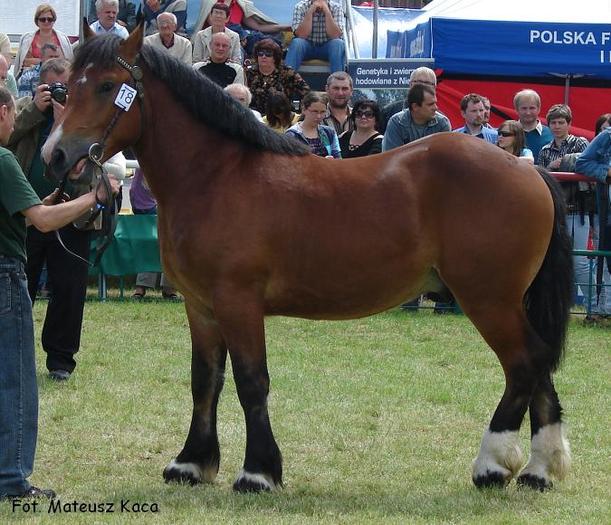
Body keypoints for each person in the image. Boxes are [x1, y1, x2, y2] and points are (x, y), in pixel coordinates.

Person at [0, 85, 119, 500]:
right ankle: (12, 481)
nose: (16, 123)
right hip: (5, 277)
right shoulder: (3, 160)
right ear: (1, 113)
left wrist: (42, 204)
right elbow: (46, 222)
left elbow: (27, 219)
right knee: (15, 384)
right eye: (13, 115)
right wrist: (92, 196)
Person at [6, 59, 120, 382]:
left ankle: (60, 360)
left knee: (69, 289)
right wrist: (35, 113)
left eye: (64, 87)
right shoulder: (23, 111)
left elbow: (98, 155)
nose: (59, 93)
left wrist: (64, 123)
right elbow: (6, 142)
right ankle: (14, 352)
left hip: (73, 215)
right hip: (27, 213)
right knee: (18, 286)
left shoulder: (84, 114)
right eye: (52, 87)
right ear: (39, 86)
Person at [575, 117, 611, 323]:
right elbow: (583, 163)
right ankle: (606, 311)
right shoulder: (607, 136)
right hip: (607, 211)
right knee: (606, 262)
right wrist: (606, 172)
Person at [130, 168, 177, 300]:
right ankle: (167, 288)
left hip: (149, 206)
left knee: (158, 246)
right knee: (167, 246)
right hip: (150, 206)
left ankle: (143, 287)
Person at [193, 0, 290, 58]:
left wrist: (284, 27)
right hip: (220, 36)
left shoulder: (240, 5)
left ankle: (280, 51)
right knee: (239, 35)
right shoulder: (212, 3)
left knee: (263, 40)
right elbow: (216, 24)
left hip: (242, 37)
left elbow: (258, 26)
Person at [245, 38, 310, 116]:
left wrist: (301, 112)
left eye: (268, 54)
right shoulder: (249, 72)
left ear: (275, 57)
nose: (264, 56)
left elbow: (306, 92)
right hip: (255, 116)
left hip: (282, 116)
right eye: (260, 53)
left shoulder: (287, 72)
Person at [382, 83, 451, 152]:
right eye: (430, 104)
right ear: (415, 106)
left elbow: (445, 156)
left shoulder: (442, 123)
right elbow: (391, 157)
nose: (436, 108)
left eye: (435, 103)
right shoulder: (397, 123)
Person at [285, 0, 346, 75]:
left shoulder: (336, 7)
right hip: (306, 47)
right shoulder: (300, 6)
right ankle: (287, 81)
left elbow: (335, 35)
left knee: (338, 43)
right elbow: (301, 35)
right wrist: (310, 11)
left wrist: (327, 11)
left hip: (328, 48)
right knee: (297, 42)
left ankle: (338, 82)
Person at [14, 4, 73, 80]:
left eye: (50, 19)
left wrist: (37, 61)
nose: (46, 21)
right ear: (37, 21)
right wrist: (52, 60)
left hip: (59, 78)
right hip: (30, 78)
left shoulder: (63, 39)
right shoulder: (27, 38)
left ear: (54, 20)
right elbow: (25, 62)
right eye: (42, 19)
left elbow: (67, 62)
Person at [379, 66, 440, 134]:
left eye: (427, 84)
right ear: (410, 84)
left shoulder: (441, 120)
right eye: (419, 82)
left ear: (434, 88)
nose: (422, 87)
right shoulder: (388, 112)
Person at [285, 91, 341, 158]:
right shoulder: (292, 135)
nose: (319, 116)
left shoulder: (329, 133)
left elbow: (338, 159)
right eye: (315, 111)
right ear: (303, 109)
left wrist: (332, 161)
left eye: (322, 112)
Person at [538, 104, 589, 169]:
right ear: (549, 125)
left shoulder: (580, 143)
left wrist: (568, 163)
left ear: (569, 124)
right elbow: (540, 176)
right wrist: (550, 167)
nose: (557, 127)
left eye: (561, 123)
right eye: (553, 123)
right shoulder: (545, 151)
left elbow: (589, 166)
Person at [513, 88, 553, 163]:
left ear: (539, 109)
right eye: (524, 108)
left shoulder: (551, 134)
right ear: (516, 109)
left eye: (532, 108)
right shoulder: (507, 133)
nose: (528, 112)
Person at [322, 71, 353, 135]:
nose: (340, 93)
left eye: (344, 89)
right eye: (336, 88)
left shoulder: (360, 117)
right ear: (327, 89)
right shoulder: (317, 117)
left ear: (351, 91)